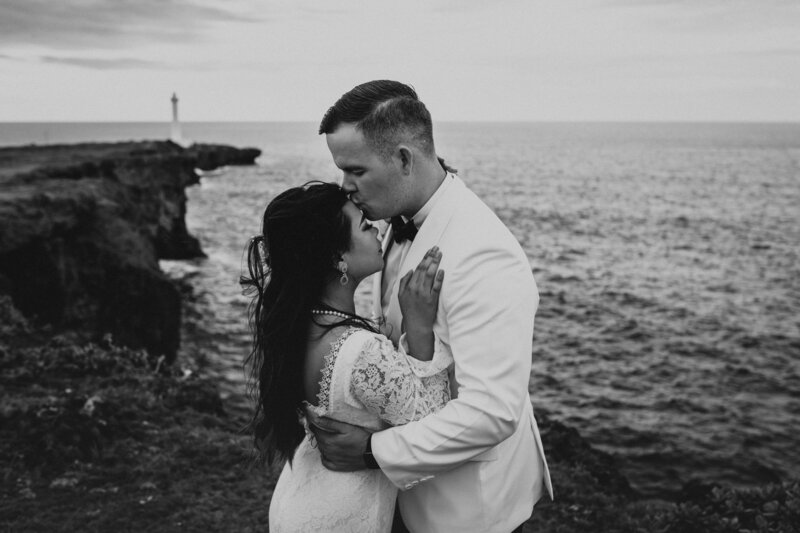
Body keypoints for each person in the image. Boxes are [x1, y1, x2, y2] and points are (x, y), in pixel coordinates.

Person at [306, 80, 554, 533]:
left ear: (404, 159)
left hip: (464, 510)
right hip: (410, 494)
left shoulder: (483, 255)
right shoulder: (393, 221)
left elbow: (491, 412)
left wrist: (371, 450)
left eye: (356, 170)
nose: (345, 187)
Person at [242, 181, 455, 532]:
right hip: (341, 517)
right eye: (364, 225)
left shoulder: (298, 324)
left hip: (302, 498)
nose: (378, 229)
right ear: (338, 258)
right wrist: (418, 328)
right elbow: (433, 424)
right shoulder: (359, 351)